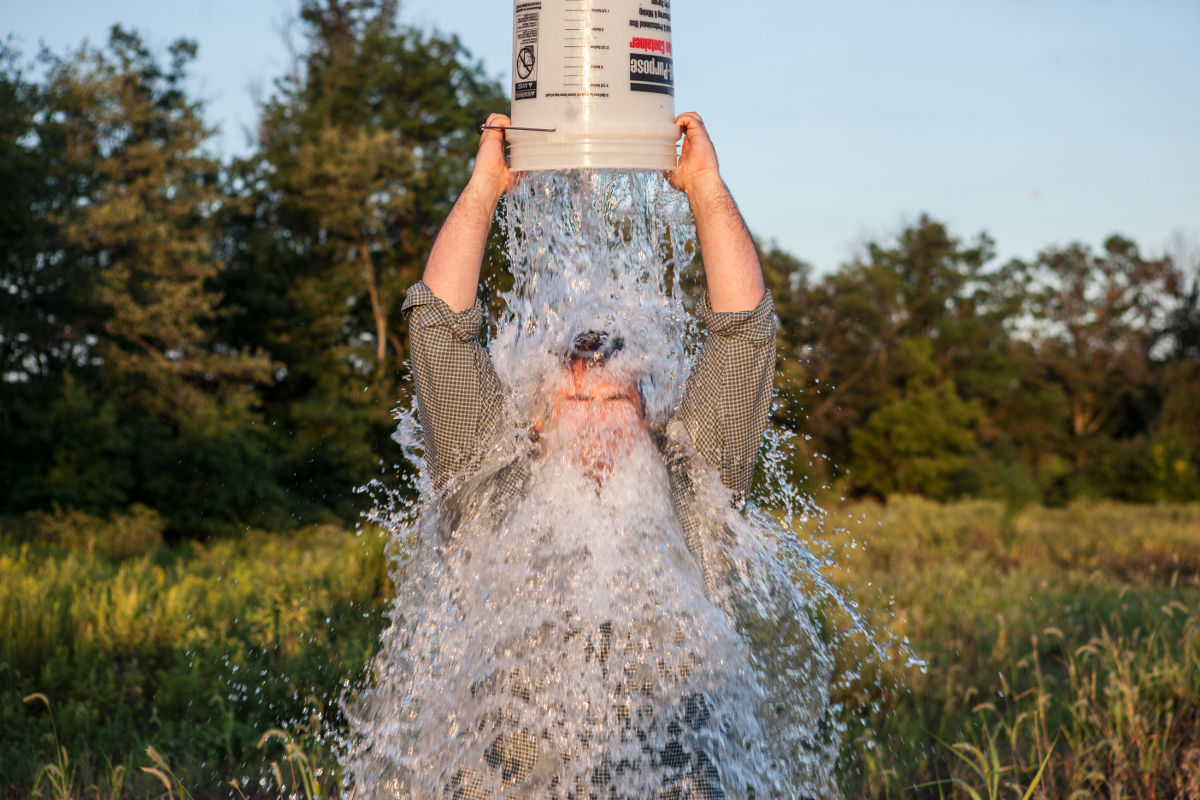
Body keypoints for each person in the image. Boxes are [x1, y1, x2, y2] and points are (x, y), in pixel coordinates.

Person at [394, 112, 783, 800]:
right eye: (578, 409)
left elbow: (744, 336)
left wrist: (706, 189)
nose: (597, 428)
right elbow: (438, 331)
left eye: (614, 407)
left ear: (648, 415)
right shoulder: (488, 487)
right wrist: (484, 192)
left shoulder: (695, 487)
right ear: (537, 423)